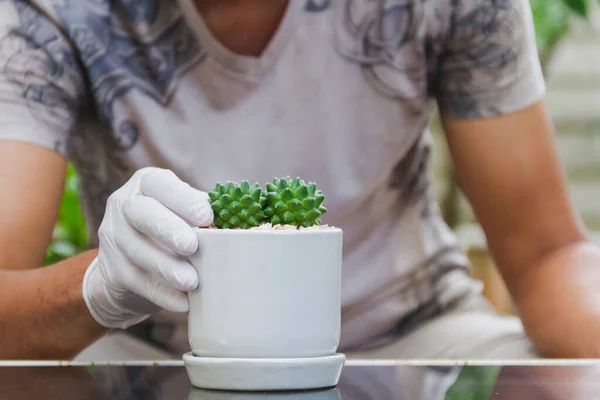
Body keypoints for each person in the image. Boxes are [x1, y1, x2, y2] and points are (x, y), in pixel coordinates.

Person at [0, 0, 597, 361]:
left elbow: (546, 252)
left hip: (418, 336)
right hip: (149, 348)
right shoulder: (47, 12)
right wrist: (101, 284)